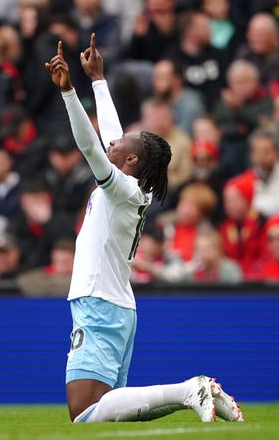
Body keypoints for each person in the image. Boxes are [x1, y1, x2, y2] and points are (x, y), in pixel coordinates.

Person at [44, 35, 242, 423]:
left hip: (99, 302)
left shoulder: (121, 187)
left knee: (84, 412)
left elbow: (90, 147)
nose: (111, 142)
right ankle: (198, 392)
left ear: (130, 159)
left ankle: (190, 389)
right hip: (116, 305)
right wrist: (97, 80)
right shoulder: (135, 188)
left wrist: (69, 92)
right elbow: (108, 136)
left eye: (118, 144)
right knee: (110, 410)